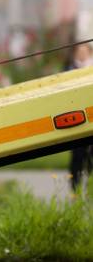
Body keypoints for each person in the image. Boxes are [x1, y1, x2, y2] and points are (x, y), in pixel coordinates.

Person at [66, 43, 92, 191]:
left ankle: (90, 189)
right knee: (77, 157)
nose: (82, 54)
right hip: (75, 118)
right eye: (79, 51)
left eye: (84, 51)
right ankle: (74, 190)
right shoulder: (69, 70)